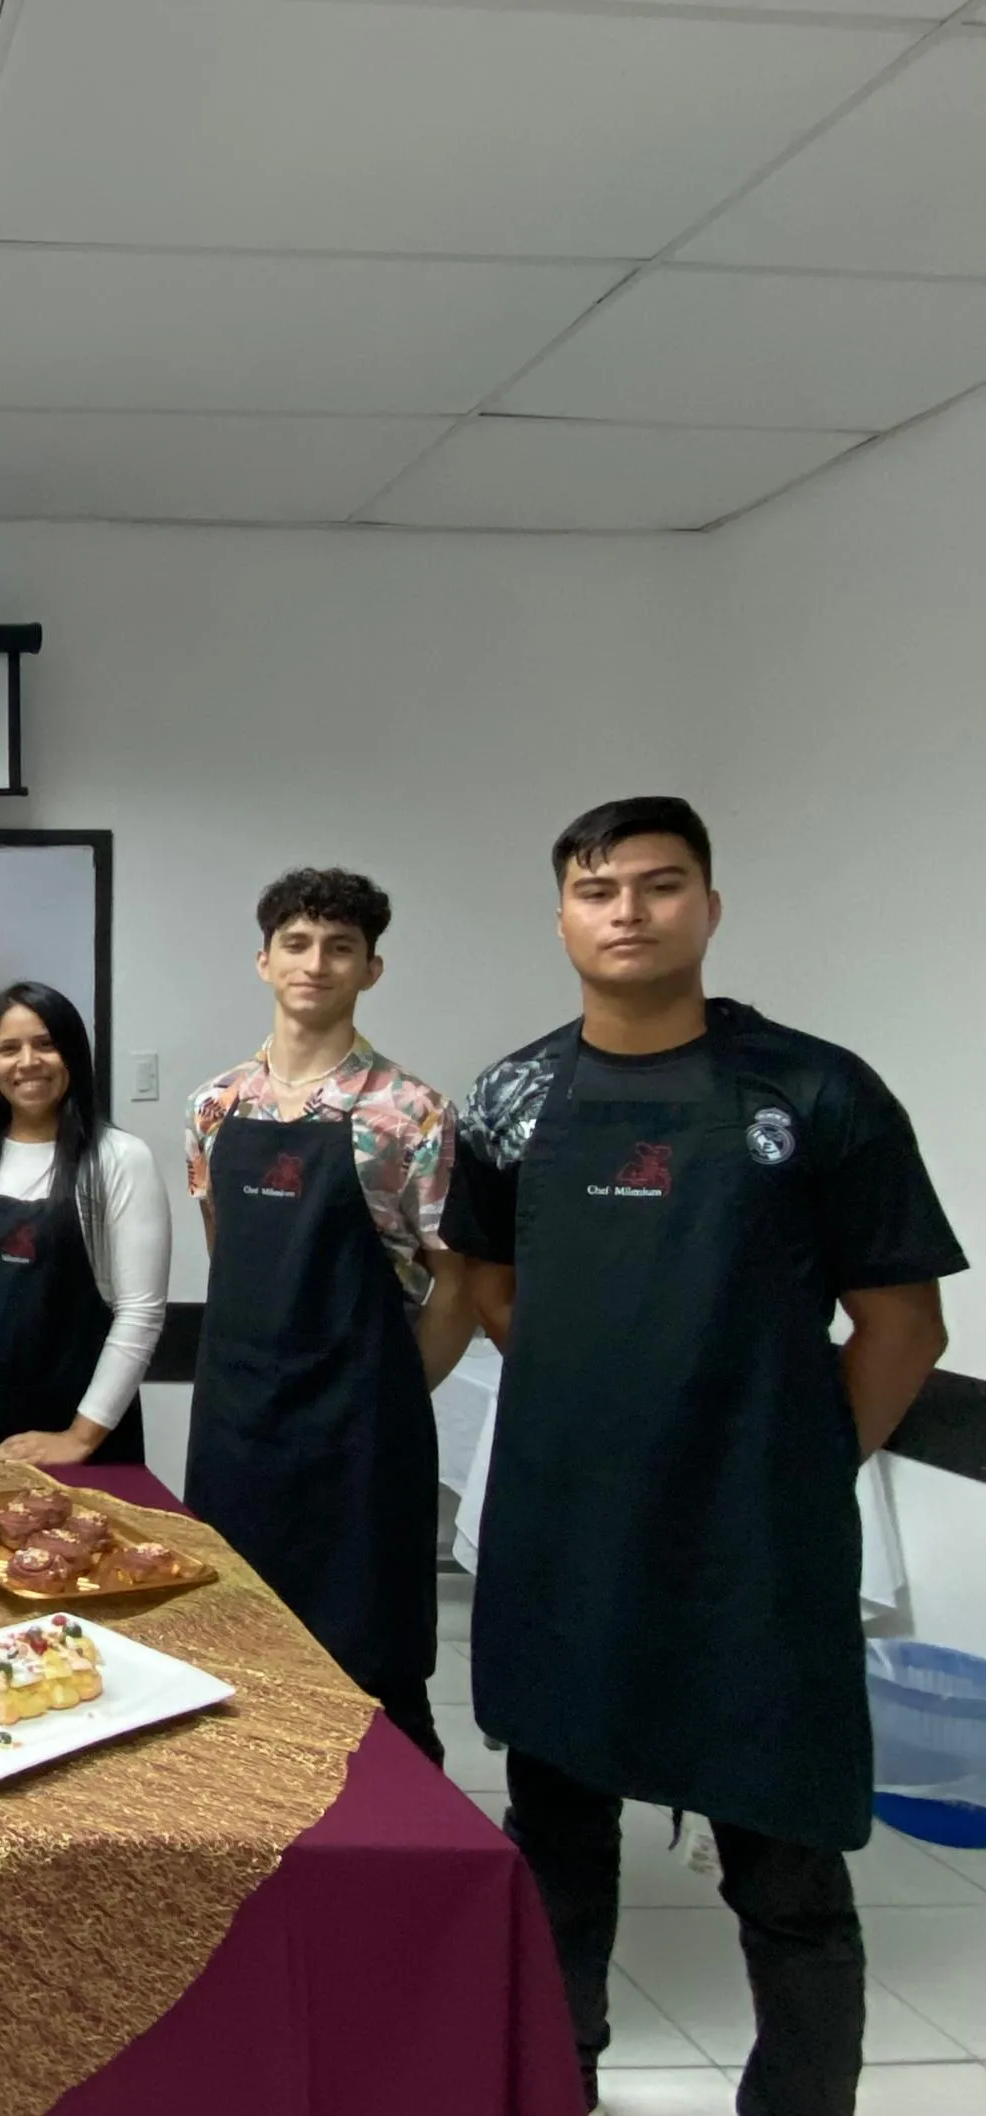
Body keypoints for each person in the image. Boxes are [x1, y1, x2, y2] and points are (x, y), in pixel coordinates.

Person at [446, 797, 964, 2116]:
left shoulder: (815, 1091)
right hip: (565, 1547)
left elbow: (904, 1320)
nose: (628, 910)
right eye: (598, 887)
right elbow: (497, 1284)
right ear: (560, 914)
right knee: (558, 1847)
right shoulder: (512, 1100)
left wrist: (790, 1465)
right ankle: (554, 2084)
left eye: (661, 885)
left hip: (754, 1564)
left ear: (711, 909)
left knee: (787, 1876)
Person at [183, 867, 470, 1765]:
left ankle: (406, 1869)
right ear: (264, 961)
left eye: (340, 948)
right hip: (238, 1422)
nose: (317, 963)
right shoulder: (214, 1108)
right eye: (298, 945)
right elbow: (223, 1245)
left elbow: (454, 1283)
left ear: (370, 970)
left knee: (374, 1668)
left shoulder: (411, 1113)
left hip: (361, 1433)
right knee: (239, 1653)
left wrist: (382, 1393)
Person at [0, 983, 170, 1465]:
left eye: (46, 1044)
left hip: (83, 1434)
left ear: (74, 1053)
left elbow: (140, 1313)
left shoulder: (119, 1160)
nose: (28, 1062)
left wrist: (78, 1438)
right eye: (9, 1048)